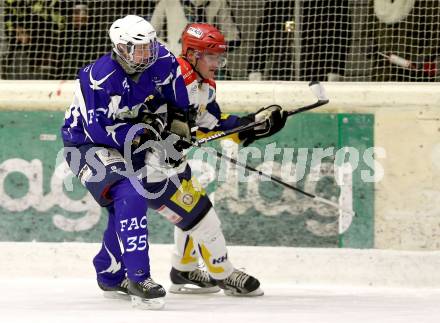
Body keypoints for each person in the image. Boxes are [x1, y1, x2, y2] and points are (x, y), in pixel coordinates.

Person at [61, 15, 190, 310]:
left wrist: (178, 130)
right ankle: (138, 277)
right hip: (87, 144)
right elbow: (98, 130)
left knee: (125, 204)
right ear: (120, 47)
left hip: (132, 139)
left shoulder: (164, 62)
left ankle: (108, 271)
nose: (148, 53)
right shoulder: (97, 77)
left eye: (150, 46)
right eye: (139, 48)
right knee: (130, 193)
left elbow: (178, 105)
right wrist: (147, 131)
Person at [166, 23, 288, 295]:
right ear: (193, 54)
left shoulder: (204, 85)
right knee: (200, 214)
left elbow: (211, 123)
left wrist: (251, 126)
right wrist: (172, 133)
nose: (218, 63)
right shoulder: (170, 78)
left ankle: (184, 269)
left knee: (192, 211)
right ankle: (223, 274)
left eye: (221, 56)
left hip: (170, 163)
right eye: (212, 57)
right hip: (147, 164)